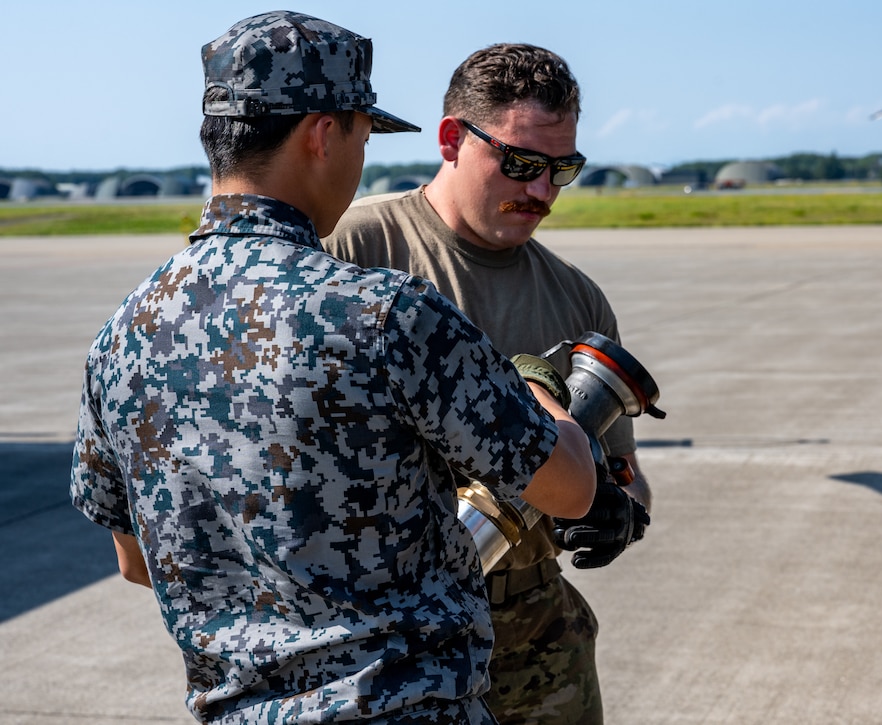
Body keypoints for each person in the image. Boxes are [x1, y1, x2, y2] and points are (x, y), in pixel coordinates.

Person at [69, 13, 596, 724]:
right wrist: (539, 389)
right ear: (323, 133)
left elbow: (134, 561)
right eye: (363, 133)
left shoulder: (122, 336)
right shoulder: (389, 314)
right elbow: (568, 487)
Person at [324, 43, 653, 724]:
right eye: (522, 163)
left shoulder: (578, 300)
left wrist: (618, 510)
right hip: (388, 633)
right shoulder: (354, 253)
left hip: (537, 639)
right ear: (452, 139)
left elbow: (627, 472)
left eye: (563, 170)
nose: (542, 192)